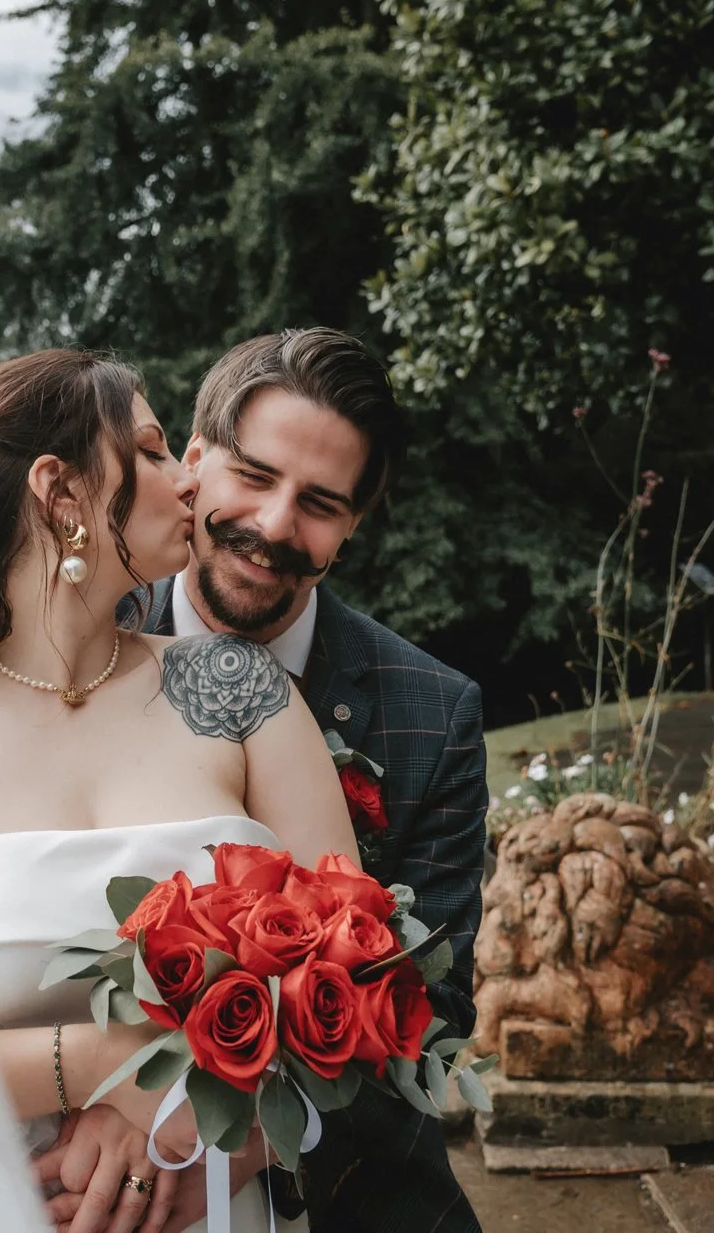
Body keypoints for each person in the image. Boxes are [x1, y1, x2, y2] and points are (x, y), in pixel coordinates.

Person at [0, 348, 361, 1233]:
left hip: (211, 1202)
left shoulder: (242, 692)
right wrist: (95, 1057)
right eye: (153, 450)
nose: (189, 481)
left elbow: (356, 978)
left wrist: (179, 1140)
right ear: (60, 490)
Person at [119, 328, 487, 1232]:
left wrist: (244, 1137)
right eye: (255, 475)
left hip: (355, 1194)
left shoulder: (431, 714)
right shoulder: (81, 652)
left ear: (352, 525)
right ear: (194, 462)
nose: (279, 525)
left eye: (320, 503)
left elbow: (432, 1010)